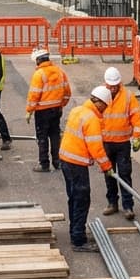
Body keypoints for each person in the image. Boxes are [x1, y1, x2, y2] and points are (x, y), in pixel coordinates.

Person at [58, 86, 115, 253]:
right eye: (105, 106)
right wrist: (107, 167)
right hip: (77, 164)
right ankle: (78, 240)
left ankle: (74, 231)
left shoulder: (78, 110)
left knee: (74, 198)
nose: (105, 110)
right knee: (82, 200)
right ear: (100, 103)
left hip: (66, 160)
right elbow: (96, 148)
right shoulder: (92, 119)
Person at [100, 66, 140, 219]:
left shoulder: (128, 97)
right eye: (109, 86)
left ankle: (128, 206)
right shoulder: (100, 94)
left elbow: (136, 118)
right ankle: (112, 203)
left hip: (123, 143)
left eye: (114, 86)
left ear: (119, 84)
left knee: (124, 174)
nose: (112, 89)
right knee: (109, 174)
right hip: (106, 143)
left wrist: (137, 137)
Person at [26, 48, 71, 172]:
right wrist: (61, 104)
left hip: (42, 111)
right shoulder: (59, 72)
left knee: (42, 137)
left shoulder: (39, 74)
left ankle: (44, 164)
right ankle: (58, 162)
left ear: (38, 60)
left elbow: (34, 95)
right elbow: (67, 92)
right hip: (56, 109)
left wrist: (29, 110)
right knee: (55, 135)